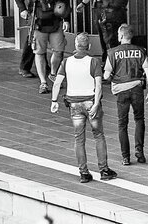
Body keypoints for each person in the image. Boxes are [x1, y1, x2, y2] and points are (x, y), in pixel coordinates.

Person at [50, 33, 117, 183]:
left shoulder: (66, 62)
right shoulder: (93, 62)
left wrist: (54, 100)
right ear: (89, 46)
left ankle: (84, 173)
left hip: (74, 105)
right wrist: (96, 104)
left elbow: (57, 83)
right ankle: (104, 170)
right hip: (90, 102)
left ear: (75, 45)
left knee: (79, 138)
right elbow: (98, 85)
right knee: (99, 135)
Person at [103, 24, 148, 166]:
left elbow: (106, 75)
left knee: (122, 124)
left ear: (120, 36)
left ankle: (125, 157)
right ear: (131, 36)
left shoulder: (112, 52)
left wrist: (113, 77)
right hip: (137, 88)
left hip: (121, 91)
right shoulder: (140, 51)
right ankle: (140, 152)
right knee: (139, 119)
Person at [31, 0, 71, 94]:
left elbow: (65, 0)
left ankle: (53, 74)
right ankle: (43, 82)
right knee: (39, 52)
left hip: (55, 21)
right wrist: (23, 10)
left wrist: (66, 19)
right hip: (39, 23)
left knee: (59, 51)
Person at [77, 0, 129, 64]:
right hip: (112, 13)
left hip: (109, 14)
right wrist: (84, 2)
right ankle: (110, 64)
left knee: (109, 42)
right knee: (111, 41)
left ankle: (111, 66)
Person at [13, 0, 38, 79]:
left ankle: (44, 66)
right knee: (32, 40)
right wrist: (23, 9)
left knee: (40, 40)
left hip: (44, 14)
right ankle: (24, 67)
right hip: (34, 14)